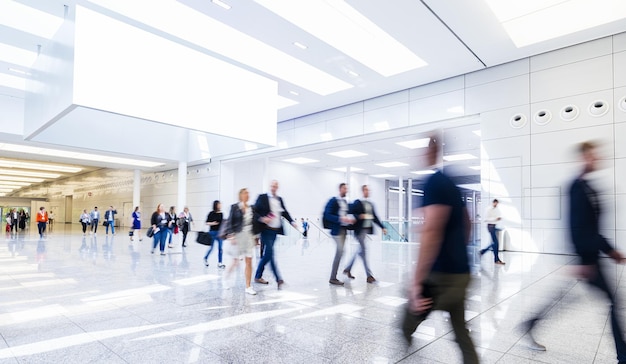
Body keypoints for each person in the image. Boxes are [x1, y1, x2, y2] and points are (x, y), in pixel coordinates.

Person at [526, 141, 626, 359]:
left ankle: (530, 323)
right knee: (611, 301)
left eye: (596, 155)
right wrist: (584, 260)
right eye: (591, 155)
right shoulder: (576, 188)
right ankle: (623, 355)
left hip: (591, 258)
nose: (595, 159)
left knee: (565, 299)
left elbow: (593, 227)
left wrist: (610, 251)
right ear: (582, 158)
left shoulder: (589, 187)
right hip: (587, 259)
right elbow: (576, 226)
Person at [405, 136, 478, 363]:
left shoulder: (433, 183)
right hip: (461, 273)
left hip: (440, 276)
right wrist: (458, 250)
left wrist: (417, 283)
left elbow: (432, 232)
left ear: (430, 153)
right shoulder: (452, 183)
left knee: (407, 321)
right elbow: (468, 223)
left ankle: (407, 348)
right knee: (461, 333)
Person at [253, 180, 297, 290]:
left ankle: (258, 276)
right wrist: (262, 218)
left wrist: (292, 222)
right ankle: (279, 279)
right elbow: (254, 211)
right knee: (270, 254)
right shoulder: (262, 197)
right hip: (266, 230)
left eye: (276, 186)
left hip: (275, 230)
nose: (274, 188)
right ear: (270, 186)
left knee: (267, 255)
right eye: (272, 185)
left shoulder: (279, 199)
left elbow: (285, 212)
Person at [343, 185, 387, 283]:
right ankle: (369, 276)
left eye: (369, 190)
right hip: (358, 231)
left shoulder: (371, 204)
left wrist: (382, 227)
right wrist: (359, 216)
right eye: (366, 190)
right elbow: (351, 213)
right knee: (364, 252)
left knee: (360, 251)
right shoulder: (357, 203)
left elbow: (374, 217)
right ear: (363, 191)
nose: (368, 191)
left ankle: (348, 269)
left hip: (366, 230)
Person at [222, 188, 257, 295]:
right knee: (235, 261)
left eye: (248, 193)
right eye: (245, 193)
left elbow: (254, 223)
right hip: (237, 237)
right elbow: (230, 222)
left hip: (248, 237)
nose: (248, 195)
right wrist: (231, 235)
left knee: (249, 261)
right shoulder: (235, 207)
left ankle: (248, 286)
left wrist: (256, 237)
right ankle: (225, 278)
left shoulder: (252, 208)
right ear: (241, 195)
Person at [324, 183, 356, 286]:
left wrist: (349, 220)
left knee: (342, 252)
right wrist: (340, 219)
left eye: (347, 189)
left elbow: (346, 214)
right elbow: (327, 214)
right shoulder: (333, 200)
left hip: (343, 230)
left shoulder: (345, 202)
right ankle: (333, 278)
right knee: (340, 251)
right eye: (344, 188)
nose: (346, 190)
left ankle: (343, 271)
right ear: (340, 189)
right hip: (336, 231)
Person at [479, 199, 505, 265]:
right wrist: (495, 219)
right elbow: (485, 219)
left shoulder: (496, 209)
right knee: (495, 243)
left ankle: (483, 252)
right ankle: (496, 259)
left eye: (497, 203)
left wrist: (498, 218)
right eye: (496, 203)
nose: (496, 205)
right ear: (493, 202)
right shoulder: (488, 209)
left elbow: (498, 216)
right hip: (490, 226)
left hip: (494, 226)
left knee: (495, 244)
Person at [204, 200, 225, 268]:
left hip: (220, 233)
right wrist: (213, 223)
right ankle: (206, 258)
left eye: (220, 204)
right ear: (216, 205)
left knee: (220, 248)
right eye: (219, 204)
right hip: (212, 232)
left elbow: (222, 224)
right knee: (212, 248)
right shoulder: (211, 213)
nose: (220, 205)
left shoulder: (221, 214)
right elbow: (206, 222)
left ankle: (220, 262)